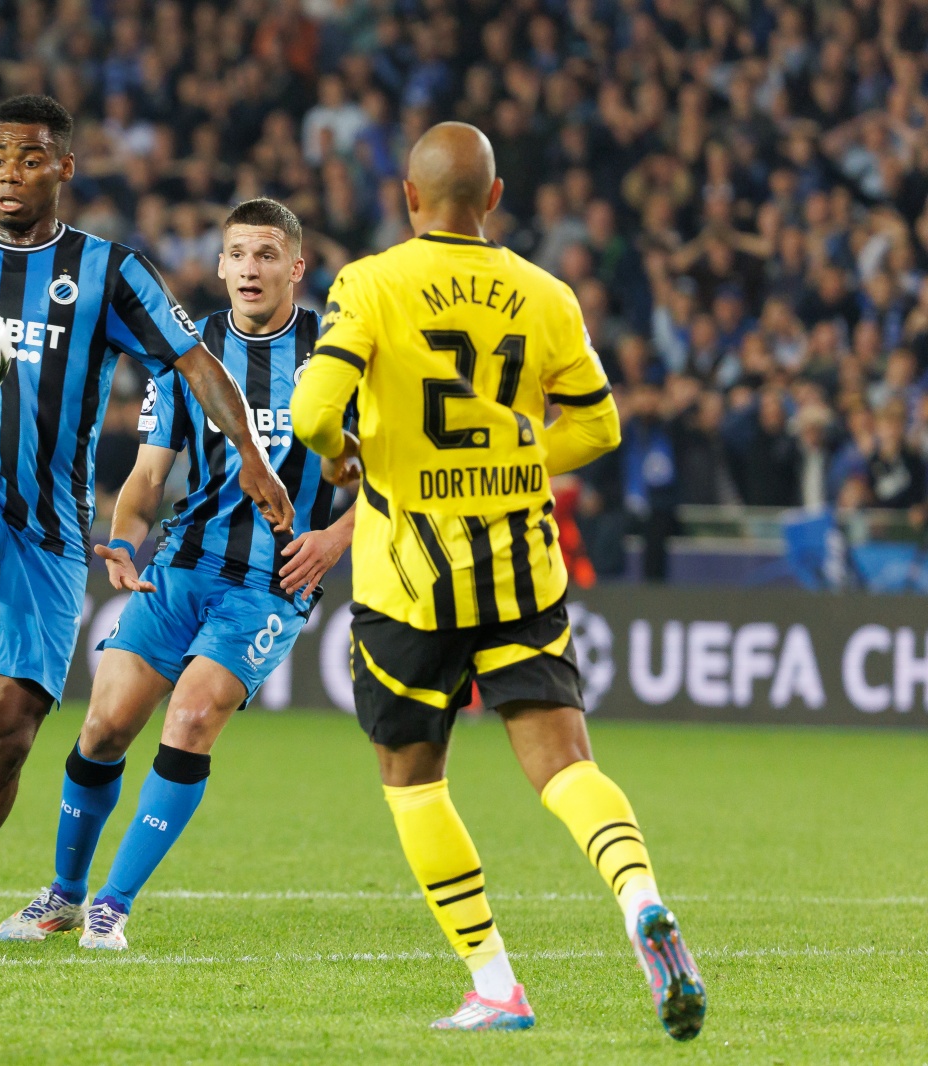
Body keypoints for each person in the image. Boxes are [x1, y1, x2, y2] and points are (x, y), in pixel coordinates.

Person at [0, 95, 294, 962]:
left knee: (8, 734)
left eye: (30, 157)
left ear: (64, 169)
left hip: (50, 527)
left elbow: (194, 360)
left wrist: (248, 450)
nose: (10, 172)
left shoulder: (111, 272)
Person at [291, 122, 706, 1039]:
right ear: (494, 196)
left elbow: (314, 410)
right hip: (520, 569)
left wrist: (350, 456)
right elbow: (598, 431)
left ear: (408, 197)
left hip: (410, 580)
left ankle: (496, 985)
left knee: (413, 779)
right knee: (565, 765)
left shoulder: (370, 283)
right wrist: (523, 454)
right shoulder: (547, 293)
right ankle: (640, 900)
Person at [0, 198, 355, 950]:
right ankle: (63, 894)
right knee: (103, 727)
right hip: (183, 567)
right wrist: (125, 539)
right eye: (237, 255)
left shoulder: (337, 353)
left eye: (265, 255)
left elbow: (393, 476)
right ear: (219, 266)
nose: (250, 269)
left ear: (296, 267)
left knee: (191, 719)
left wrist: (334, 538)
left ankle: (112, 905)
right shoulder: (191, 353)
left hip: (271, 582)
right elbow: (148, 479)